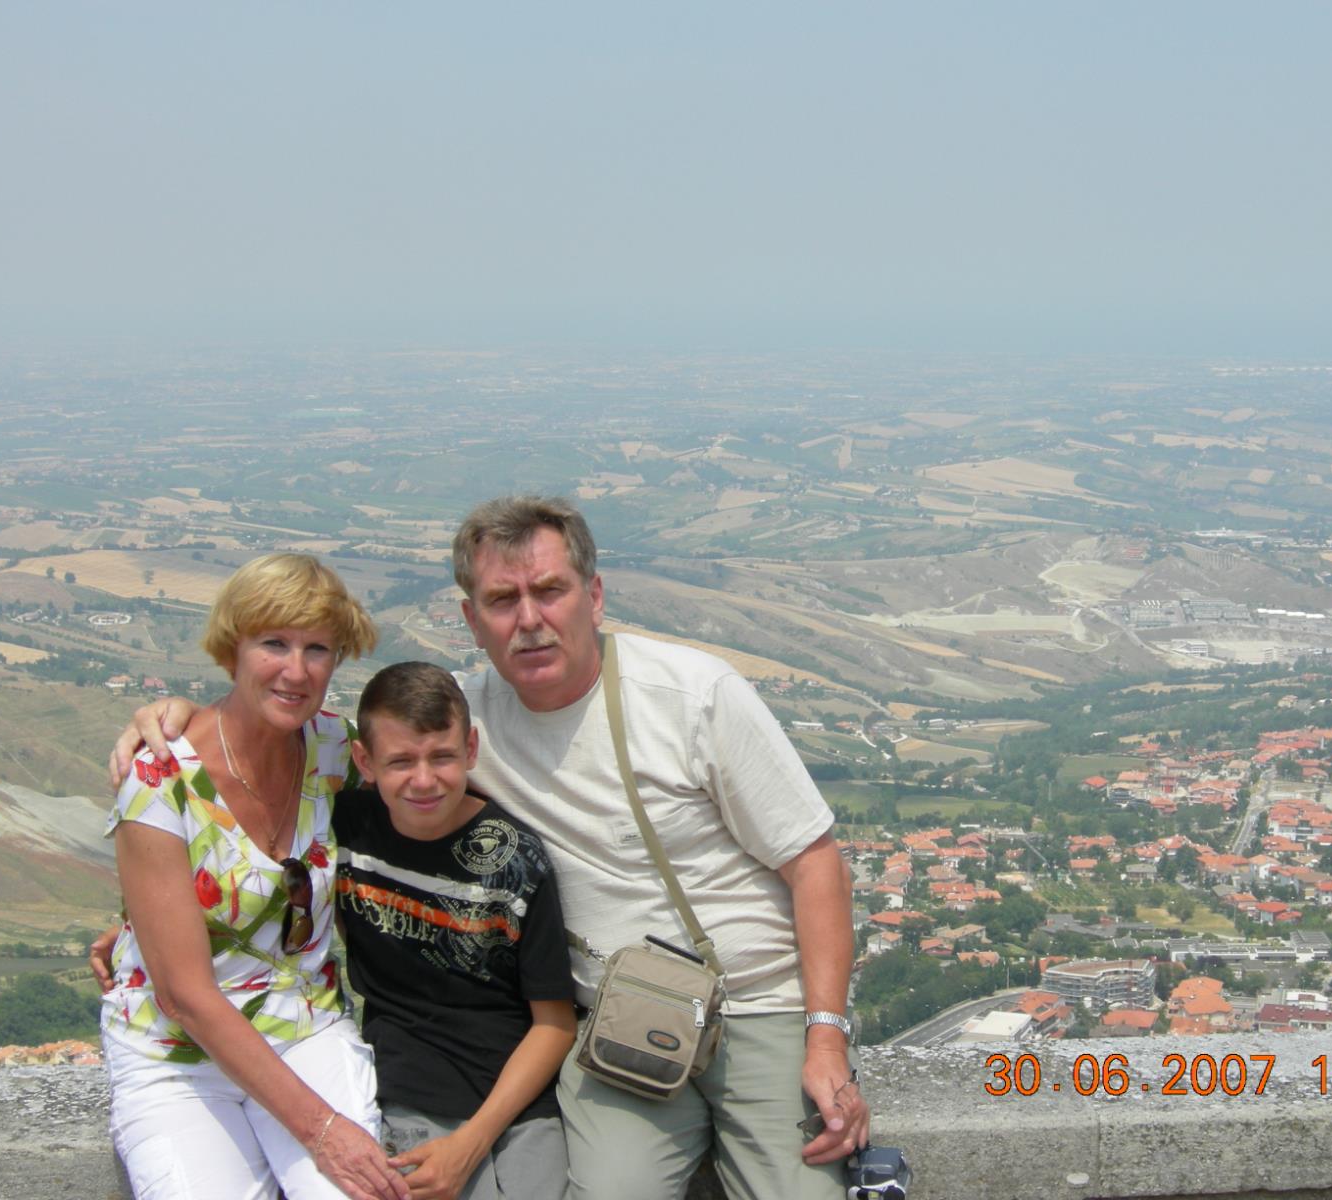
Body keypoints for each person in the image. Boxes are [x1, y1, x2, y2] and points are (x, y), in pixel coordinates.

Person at [112, 495, 869, 1200]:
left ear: (594, 596)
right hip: (614, 1022)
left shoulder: (694, 695)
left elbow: (816, 864)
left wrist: (826, 1039)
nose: (530, 620)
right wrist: (151, 903)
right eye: (504, 601)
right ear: (472, 621)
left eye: (550, 591)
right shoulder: (457, 721)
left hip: (754, 1005)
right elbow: (290, 753)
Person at [99, 554, 409, 1200]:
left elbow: (436, 782)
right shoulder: (159, 778)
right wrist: (324, 1131)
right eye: (274, 643)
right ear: (232, 648)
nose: (296, 670)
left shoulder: (334, 748)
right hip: (177, 1054)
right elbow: (186, 996)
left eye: (317, 649)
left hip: (304, 1026)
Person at [339, 660, 577, 1200]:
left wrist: (473, 1141)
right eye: (401, 761)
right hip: (410, 1090)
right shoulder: (346, 828)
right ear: (365, 761)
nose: (424, 780)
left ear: (470, 749)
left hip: (517, 1100)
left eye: (442, 757)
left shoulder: (514, 860)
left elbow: (554, 1025)